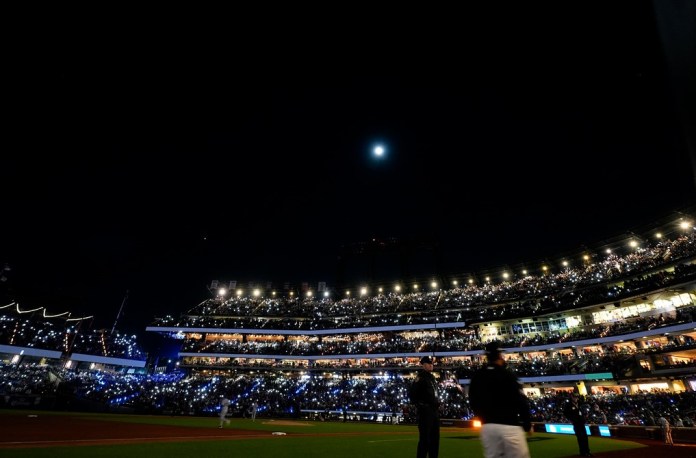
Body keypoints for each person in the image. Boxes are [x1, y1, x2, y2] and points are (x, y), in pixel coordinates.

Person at [469, 341, 532, 458]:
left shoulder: (478, 376)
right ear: (499, 355)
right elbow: (521, 400)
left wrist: (483, 418)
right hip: (510, 425)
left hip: (488, 427)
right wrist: (527, 424)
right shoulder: (507, 374)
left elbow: (472, 401)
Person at [409, 355, 440, 458]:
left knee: (435, 439)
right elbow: (412, 395)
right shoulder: (420, 378)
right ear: (424, 365)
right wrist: (421, 406)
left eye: (432, 363)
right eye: (429, 363)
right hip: (425, 411)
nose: (431, 365)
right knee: (425, 439)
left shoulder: (432, 377)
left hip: (434, 411)